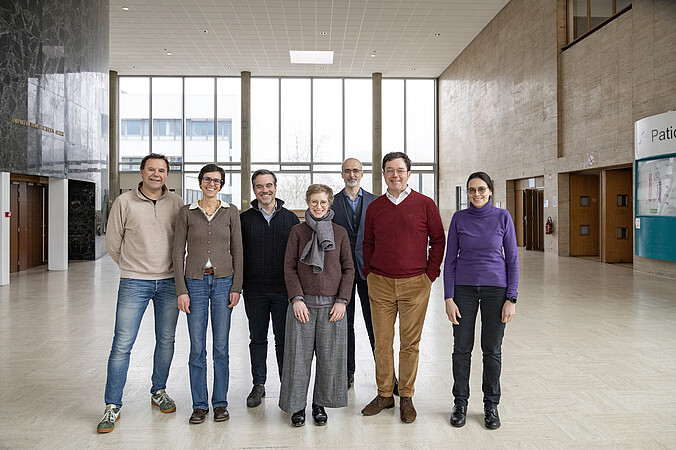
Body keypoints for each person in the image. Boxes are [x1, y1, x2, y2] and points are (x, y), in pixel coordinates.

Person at [98, 153, 184, 433]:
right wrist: (131, 266)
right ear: (142, 172)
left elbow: (183, 240)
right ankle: (112, 405)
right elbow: (113, 242)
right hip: (134, 281)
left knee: (166, 340)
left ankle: (158, 390)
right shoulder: (124, 202)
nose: (156, 174)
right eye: (151, 170)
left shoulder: (177, 203)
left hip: (169, 282)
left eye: (161, 170)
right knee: (122, 344)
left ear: (166, 175)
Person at [361, 152, 445, 424]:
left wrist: (430, 274)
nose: (394, 175)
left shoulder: (425, 204)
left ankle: (406, 396)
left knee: (410, 344)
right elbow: (367, 243)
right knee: (382, 344)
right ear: (383, 174)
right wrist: (369, 272)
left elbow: (438, 240)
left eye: (400, 170)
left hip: (415, 284)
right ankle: (385, 394)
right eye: (389, 170)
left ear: (409, 174)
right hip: (381, 284)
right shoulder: (375, 207)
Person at [443, 171, 519, 430]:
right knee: (461, 348)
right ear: (467, 192)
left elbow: (512, 259)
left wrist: (512, 297)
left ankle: (490, 405)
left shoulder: (502, 217)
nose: (476, 194)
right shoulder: (458, 219)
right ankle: (460, 403)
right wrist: (448, 297)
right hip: (463, 290)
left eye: (481, 189)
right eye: (472, 190)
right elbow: (450, 260)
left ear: (490, 191)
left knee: (492, 349)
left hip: (496, 291)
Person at [279, 184, 354, 427]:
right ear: (308, 203)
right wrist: (296, 298)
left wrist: (342, 301)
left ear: (329, 203)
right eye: (314, 202)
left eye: (323, 202)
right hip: (303, 307)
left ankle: (319, 404)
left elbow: (348, 269)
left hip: (333, 308)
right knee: (297, 359)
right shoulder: (297, 232)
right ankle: (297, 406)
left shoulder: (340, 232)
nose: (318, 207)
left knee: (329, 359)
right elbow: (289, 267)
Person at [173, 164, 243, 425]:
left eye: (217, 180)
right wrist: (181, 289)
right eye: (207, 179)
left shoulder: (230, 212)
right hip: (195, 284)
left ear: (222, 185)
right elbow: (178, 252)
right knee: (197, 347)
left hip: (224, 282)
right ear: (200, 182)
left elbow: (238, 251)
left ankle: (220, 403)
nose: (211, 184)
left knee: (221, 347)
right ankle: (199, 404)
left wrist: (237, 286)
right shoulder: (186, 212)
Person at [240, 169, 299, 408]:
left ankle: (287, 384)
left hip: (283, 291)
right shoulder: (244, 220)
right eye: (259, 186)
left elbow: (297, 258)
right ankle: (259, 384)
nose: (265, 190)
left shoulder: (291, 219)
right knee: (257, 338)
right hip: (254, 291)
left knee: (283, 339)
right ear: (254, 189)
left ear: (276, 187)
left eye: (269, 185)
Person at [331, 158, 378, 389]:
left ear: (362, 173)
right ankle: (347, 373)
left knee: (376, 324)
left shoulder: (376, 202)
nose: (352, 174)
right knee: (344, 324)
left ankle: (386, 374)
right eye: (347, 171)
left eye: (356, 170)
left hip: (370, 271)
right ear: (342, 174)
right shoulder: (332, 203)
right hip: (341, 274)